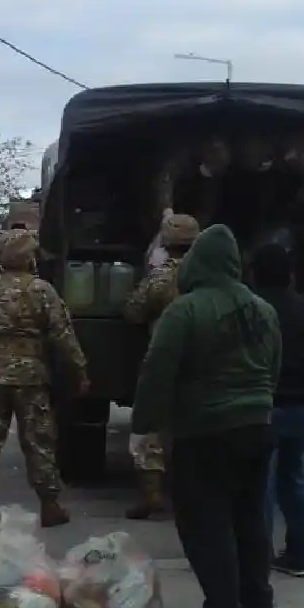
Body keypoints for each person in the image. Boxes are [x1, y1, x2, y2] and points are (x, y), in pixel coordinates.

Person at [131, 224, 282, 608]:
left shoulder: (186, 310)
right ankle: (259, 606)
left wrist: (143, 426)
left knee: (206, 525)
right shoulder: (262, 309)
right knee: (250, 520)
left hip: (205, 431)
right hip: (257, 426)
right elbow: (273, 368)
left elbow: (157, 371)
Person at [0, 229, 89, 527]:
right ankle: (50, 505)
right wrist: (79, 371)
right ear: (29, 257)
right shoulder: (42, 290)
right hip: (30, 377)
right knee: (39, 441)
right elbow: (63, 336)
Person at [249, 243, 304, 578]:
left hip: (262, 410)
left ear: (255, 274)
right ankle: (298, 551)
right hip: (303, 411)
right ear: (290, 275)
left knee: (262, 487)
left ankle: (260, 555)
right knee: (297, 482)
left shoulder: (250, 313)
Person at [122, 212, 200, 520]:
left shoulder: (160, 277)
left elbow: (133, 312)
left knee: (151, 427)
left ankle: (153, 494)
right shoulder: (212, 275)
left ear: (165, 243)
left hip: (164, 360)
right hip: (205, 361)